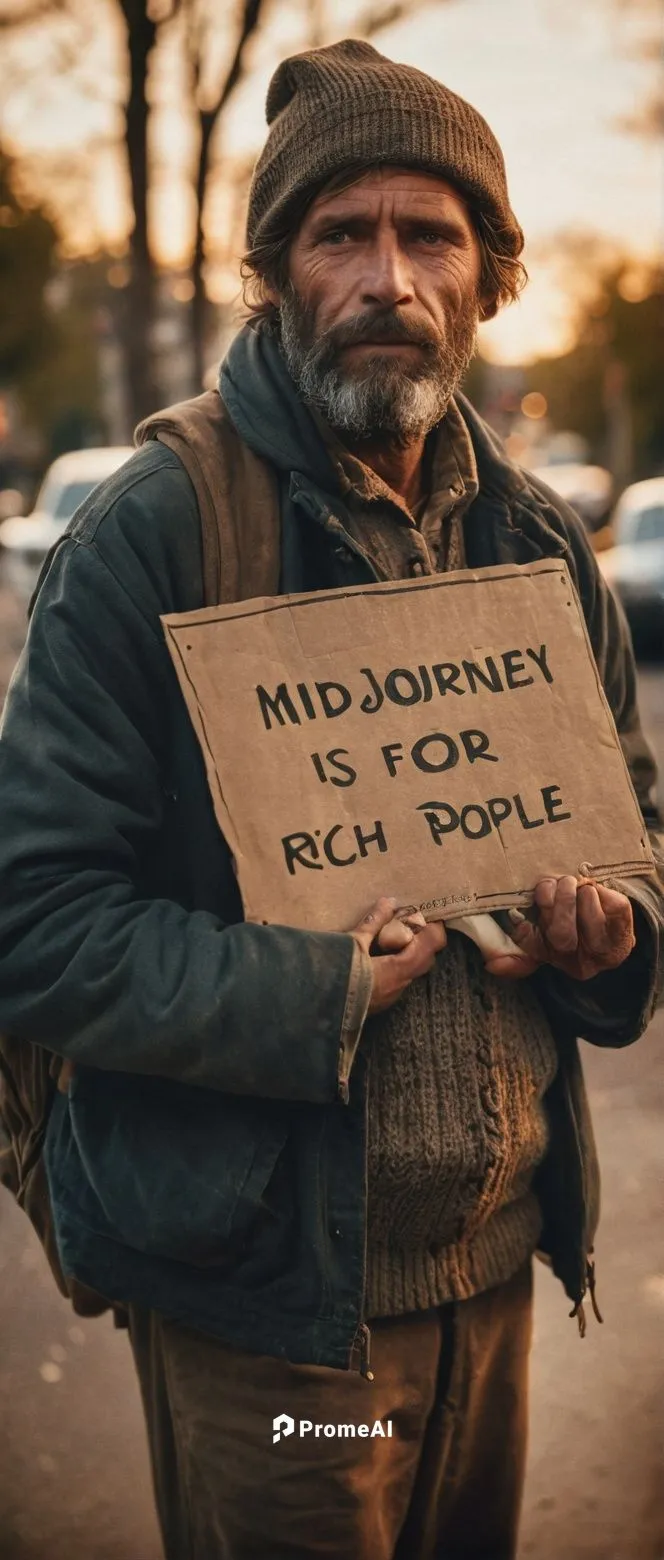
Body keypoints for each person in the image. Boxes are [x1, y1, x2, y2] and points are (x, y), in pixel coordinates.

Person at [0, 38, 661, 1560]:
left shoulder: (538, 541)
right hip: (277, 1327)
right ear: (274, 276)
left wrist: (609, 926)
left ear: (491, 277)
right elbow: (33, 921)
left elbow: (637, 838)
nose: (387, 278)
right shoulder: (156, 533)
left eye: (429, 234)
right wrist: (310, 989)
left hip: (494, 1278)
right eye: (338, 235)